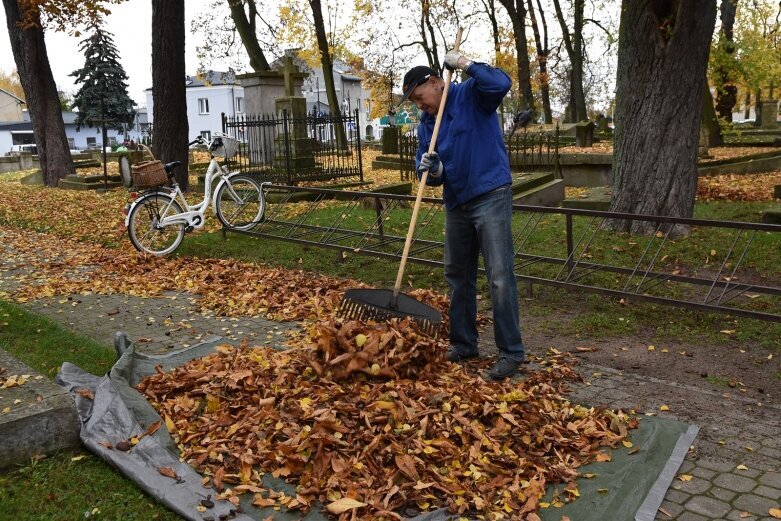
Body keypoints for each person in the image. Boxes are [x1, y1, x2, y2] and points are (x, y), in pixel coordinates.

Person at [399, 52, 525, 381]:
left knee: (499, 276)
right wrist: (433, 169)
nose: (418, 106)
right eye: (413, 102)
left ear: (436, 83)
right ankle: (464, 343)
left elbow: (501, 83)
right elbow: (427, 166)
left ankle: (511, 352)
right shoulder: (428, 123)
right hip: (457, 202)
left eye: (419, 97)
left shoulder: (471, 94)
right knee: (458, 275)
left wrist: (466, 64)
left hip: (490, 194)